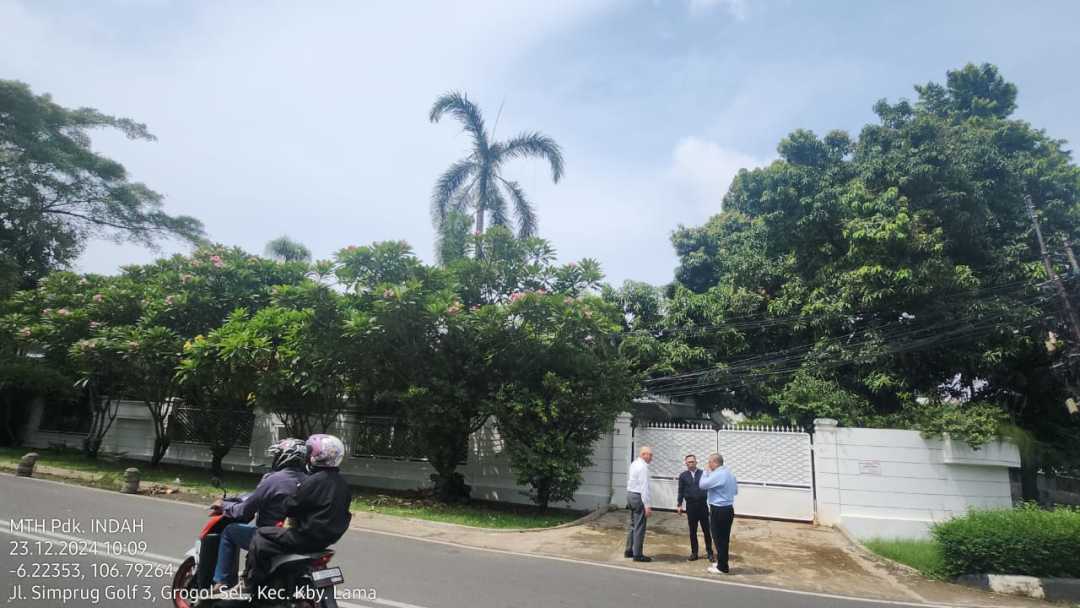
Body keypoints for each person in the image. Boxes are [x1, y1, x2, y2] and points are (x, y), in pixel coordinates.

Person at [246, 434, 354, 588]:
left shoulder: (315, 480)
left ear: (316, 456)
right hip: (327, 540)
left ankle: (253, 582)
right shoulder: (343, 484)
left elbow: (291, 507)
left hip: (306, 538)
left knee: (260, 535)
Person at [209, 438, 308, 594]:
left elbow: (245, 510)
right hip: (297, 537)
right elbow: (255, 496)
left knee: (229, 531)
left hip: (269, 536)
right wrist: (236, 497)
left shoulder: (273, 479)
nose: (275, 459)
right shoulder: (309, 480)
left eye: (277, 455)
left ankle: (222, 581)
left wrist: (224, 505)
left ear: (285, 456)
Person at [698, 452, 738, 574]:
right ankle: (722, 562)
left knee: (718, 538)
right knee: (724, 538)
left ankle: (722, 567)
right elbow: (735, 491)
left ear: (715, 462)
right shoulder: (730, 473)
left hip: (719, 509)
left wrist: (705, 472)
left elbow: (702, 485)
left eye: (709, 462)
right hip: (728, 508)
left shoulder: (718, 474)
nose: (708, 464)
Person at [676, 454, 713, 562]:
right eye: (689, 462)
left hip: (702, 505)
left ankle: (710, 553)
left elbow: (710, 487)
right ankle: (694, 553)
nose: (691, 463)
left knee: (706, 530)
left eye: (693, 461)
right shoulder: (683, 476)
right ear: (686, 463)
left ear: (696, 462)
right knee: (692, 531)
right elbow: (680, 491)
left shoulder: (703, 473)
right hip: (691, 506)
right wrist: (679, 504)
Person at [624, 445, 653, 562]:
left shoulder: (634, 463)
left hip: (630, 495)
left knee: (633, 525)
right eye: (650, 455)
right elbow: (644, 487)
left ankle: (629, 550)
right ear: (643, 454)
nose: (651, 457)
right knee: (640, 526)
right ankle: (638, 554)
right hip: (638, 496)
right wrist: (647, 505)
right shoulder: (643, 467)